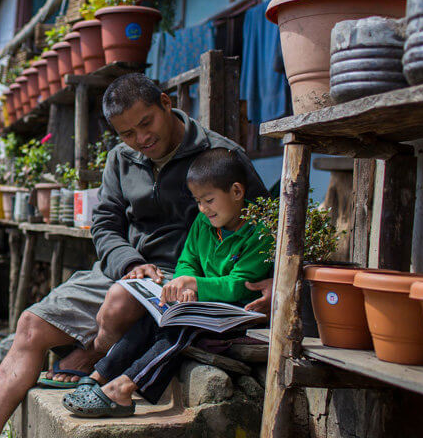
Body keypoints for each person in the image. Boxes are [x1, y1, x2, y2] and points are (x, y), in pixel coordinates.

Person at [0, 73, 271, 438]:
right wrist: (128, 262)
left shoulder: (219, 154)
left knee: (119, 306)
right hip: (122, 267)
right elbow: (105, 224)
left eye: (146, 123)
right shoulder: (120, 159)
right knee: (30, 324)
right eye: (127, 133)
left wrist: (275, 279)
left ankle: (92, 354)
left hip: (182, 276)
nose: (140, 139)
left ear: (166, 104)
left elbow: (268, 222)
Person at [62, 147, 274, 416]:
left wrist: (196, 285)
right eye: (198, 201)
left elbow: (239, 285)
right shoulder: (203, 222)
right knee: (152, 318)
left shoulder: (260, 232)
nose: (203, 208)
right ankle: (100, 376)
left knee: (180, 329)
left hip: (237, 317)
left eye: (208, 200)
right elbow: (188, 261)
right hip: (204, 307)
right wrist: (187, 284)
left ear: (236, 192)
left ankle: (124, 389)